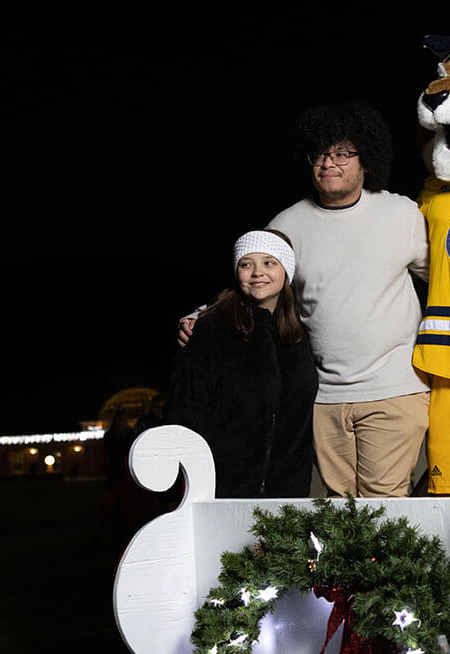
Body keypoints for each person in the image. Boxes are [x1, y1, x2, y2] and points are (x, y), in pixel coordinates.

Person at [181, 103, 429, 498]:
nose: (330, 163)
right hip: (323, 396)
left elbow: (449, 282)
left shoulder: (402, 214)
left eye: (343, 153)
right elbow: (256, 281)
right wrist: (204, 316)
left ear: (366, 159)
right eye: (321, 154)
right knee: (338, 509)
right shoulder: (286, 224)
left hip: (394, 388)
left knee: (383, 506)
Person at [168, 230, 318, 499]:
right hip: (222, 489)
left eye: (269, 263)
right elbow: (184, 408)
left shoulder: (299, 335)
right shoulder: (212, 329)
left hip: (288, 493)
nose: (257, 272)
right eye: (246, 264)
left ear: (286, 270)